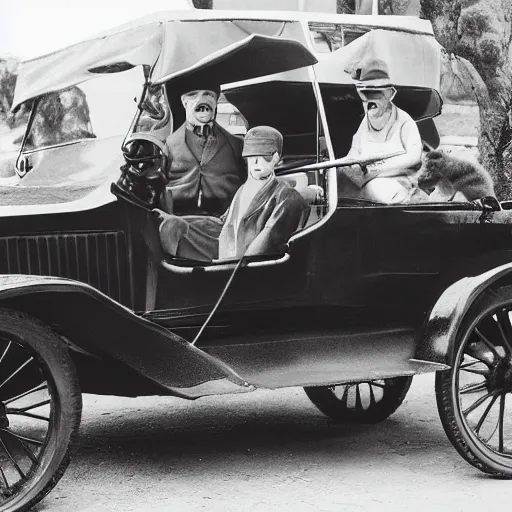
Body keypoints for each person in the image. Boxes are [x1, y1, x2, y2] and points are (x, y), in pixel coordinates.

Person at [155, 126, 308, 261]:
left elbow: (261, 252)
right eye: (251, 157)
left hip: (241, 270)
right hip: (225, 253)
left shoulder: (287, 198)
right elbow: (223, 224)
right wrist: (177, 220)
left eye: (263, 157)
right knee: (171, 226)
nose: (255, 163)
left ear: (276, 158)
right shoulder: (243, 190)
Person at [342, 58, 425, 204]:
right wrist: (350, 167)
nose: (369, 100)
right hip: (364, 180)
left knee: (377, 189)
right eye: (364, 94)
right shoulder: (365, 122)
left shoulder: (404, 121)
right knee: (336, 181)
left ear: (389, 93)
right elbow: (354, 152)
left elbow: (414, 156)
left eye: (375, 94)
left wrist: (376, 170)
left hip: (395, 181)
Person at [160, 85, 245, 217]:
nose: (201, 99)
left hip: (224, 223)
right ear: (184, 102)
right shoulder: (168, 144)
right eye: (193, 94)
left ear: (216, 102)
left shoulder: (236, 144)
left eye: (208, 94)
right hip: (180, 223)